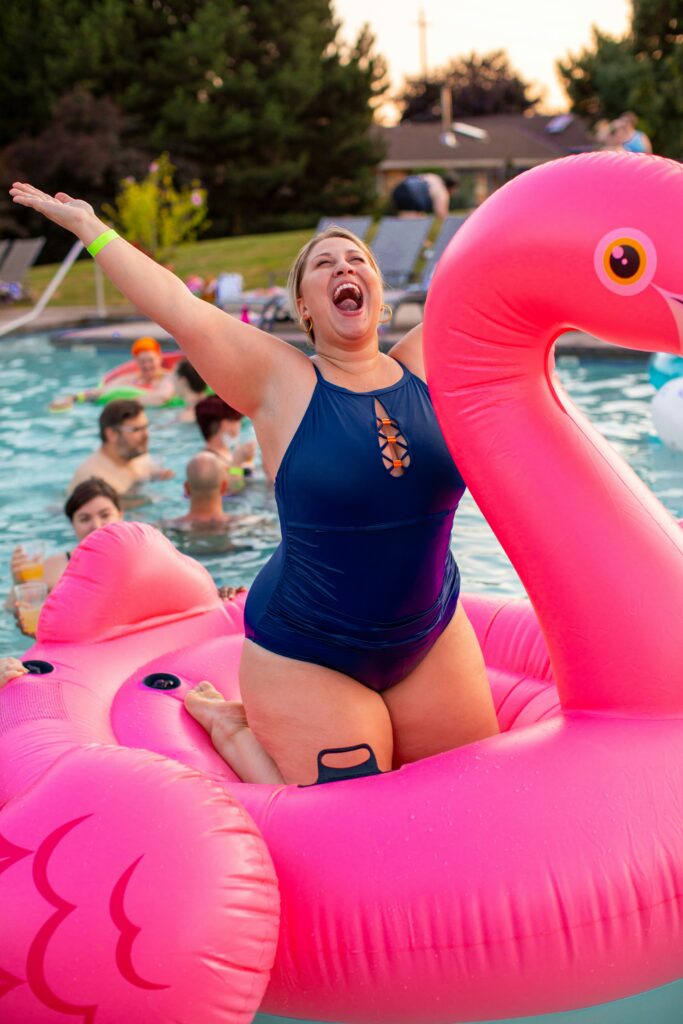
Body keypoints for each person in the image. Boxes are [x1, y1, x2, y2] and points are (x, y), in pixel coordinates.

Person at [9, 181, 500, 787]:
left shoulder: (430, 360)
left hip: (430, 633)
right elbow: (180, 308)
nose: (344, 267)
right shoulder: (280, 380)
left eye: (357, 261)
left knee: (477, 789)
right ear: (305, 308)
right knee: (344, 813)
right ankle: (232, 728)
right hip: (310, 649)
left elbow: (500, 280)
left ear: (379, 292)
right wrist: (91, 228)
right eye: (324, 264)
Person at [7, 478, 124, 635]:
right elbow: (10, 609)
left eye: (105, 515)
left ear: (120, 515)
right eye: (84, 519)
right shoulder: (57, 566)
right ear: (72, 523)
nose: (96, 525)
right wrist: (19, 582)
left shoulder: (139, 559)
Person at [67, 398, 174, 498]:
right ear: (112, 434)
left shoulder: (136, 454)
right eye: (136, 429)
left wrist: (158, 476)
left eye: (146, 427)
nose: (146, 435)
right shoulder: (95, 481)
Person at [50, 336, 175, 411]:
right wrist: (72, 398)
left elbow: (162, 397)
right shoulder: (130, 379)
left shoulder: (169, 378)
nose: (147, 365)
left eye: (150, 360)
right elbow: (102, 391)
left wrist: (121, 401)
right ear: (136, 362)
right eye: (142, 361)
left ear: (160, 358)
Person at [195, 394, 257, 484]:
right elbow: (232, 490)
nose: (239, 426)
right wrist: (237, 462)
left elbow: (233, 473)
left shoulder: (226, 455)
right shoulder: (206, 463)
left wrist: (248, 461)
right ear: (225, 425)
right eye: (237, 420)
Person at [391, 172, 459, 219]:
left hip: (399, 189)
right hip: (411, 194)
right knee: (414, 222)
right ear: (452, 188)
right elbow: (441, 214)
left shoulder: (435, 178)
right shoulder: (442, 191)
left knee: (406, 219)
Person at [173, 358, 209, 423]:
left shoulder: (188, 417)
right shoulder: (212, 404)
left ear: (182, 380)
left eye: (174, 376)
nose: (172, 381)